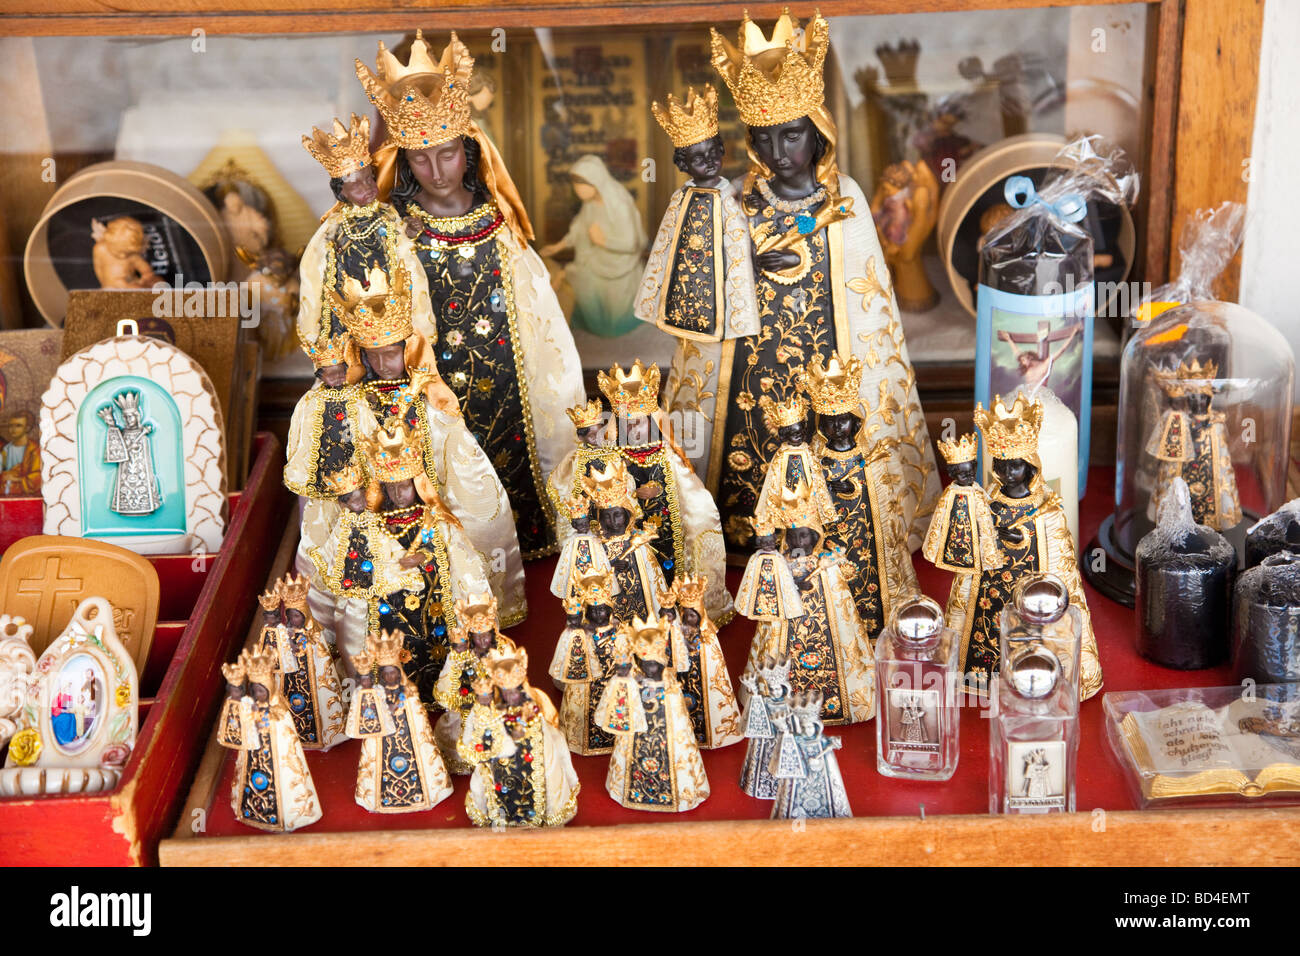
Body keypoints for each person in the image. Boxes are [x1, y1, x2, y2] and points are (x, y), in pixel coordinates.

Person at [702, 10, 939, 556]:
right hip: (750, 367)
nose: (778, 154)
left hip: (829, 364)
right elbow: (706, 288)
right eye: (763, 139)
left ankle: (844, 526)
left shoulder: (846, 202)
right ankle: (749, 530)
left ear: (818, 133)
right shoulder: (733, 201)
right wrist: (747, 271)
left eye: (791, 137)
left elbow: (870, 308)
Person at [358, 30, 585, 559]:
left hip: (507, 376)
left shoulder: (498, 225)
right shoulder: (398, 232)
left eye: (447, 154)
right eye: (420, 160)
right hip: (436, 383)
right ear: (403, 162)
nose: (437, 173)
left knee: (513, 458)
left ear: (470, 149)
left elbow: (541, 319)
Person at [539, 154, 647, 338]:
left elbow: (631, 242)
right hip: (596, 260)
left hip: (619, 265)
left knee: (614, 322)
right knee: (580, 281)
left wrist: (604, 241)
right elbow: (579, 229)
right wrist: (559, 246)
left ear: (595, 182)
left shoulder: (619, 204)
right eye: (575, 185)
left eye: (580, 185)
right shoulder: (589, 205)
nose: (577, 190)